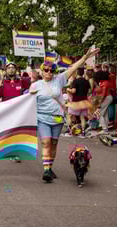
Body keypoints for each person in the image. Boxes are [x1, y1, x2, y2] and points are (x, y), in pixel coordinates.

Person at [30, 47, 100, 183]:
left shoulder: (59, 79)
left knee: (54, 144)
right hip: (42, 117)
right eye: (46, 70)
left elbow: (73, 68)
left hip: (57, 117)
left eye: (51, 70)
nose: (48, 72)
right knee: (46, 142)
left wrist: (85, 58)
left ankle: (50, 167)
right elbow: (26, 102)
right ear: (42, 71)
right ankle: (46, 170)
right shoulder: (35, 85)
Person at [67, 68, 92, 137]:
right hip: (84, 101)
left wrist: (68, 89)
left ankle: (69, 132)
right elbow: (90, 91)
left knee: (69, 115)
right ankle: (83, 133)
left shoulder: (75, 81)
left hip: (76, 102)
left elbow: (73, 91)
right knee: (82, 117)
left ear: (77, 73)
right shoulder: (86, 81)